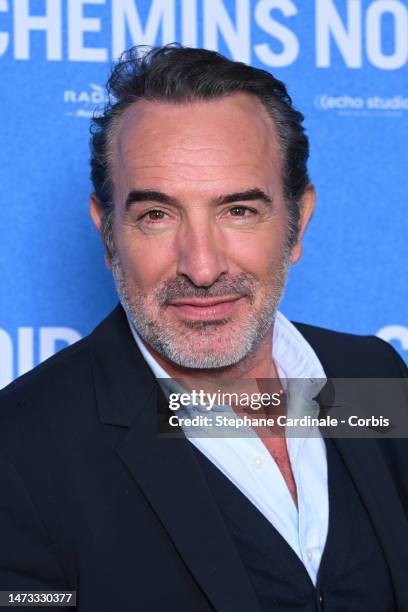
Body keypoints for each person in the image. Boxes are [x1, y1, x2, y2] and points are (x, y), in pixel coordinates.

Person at [0, 45, 407, 612]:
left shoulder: (371, 378)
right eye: (156, 215)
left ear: (297, 222)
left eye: (238, 211)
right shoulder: (18, 453)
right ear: (108, 232)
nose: (202, 266)